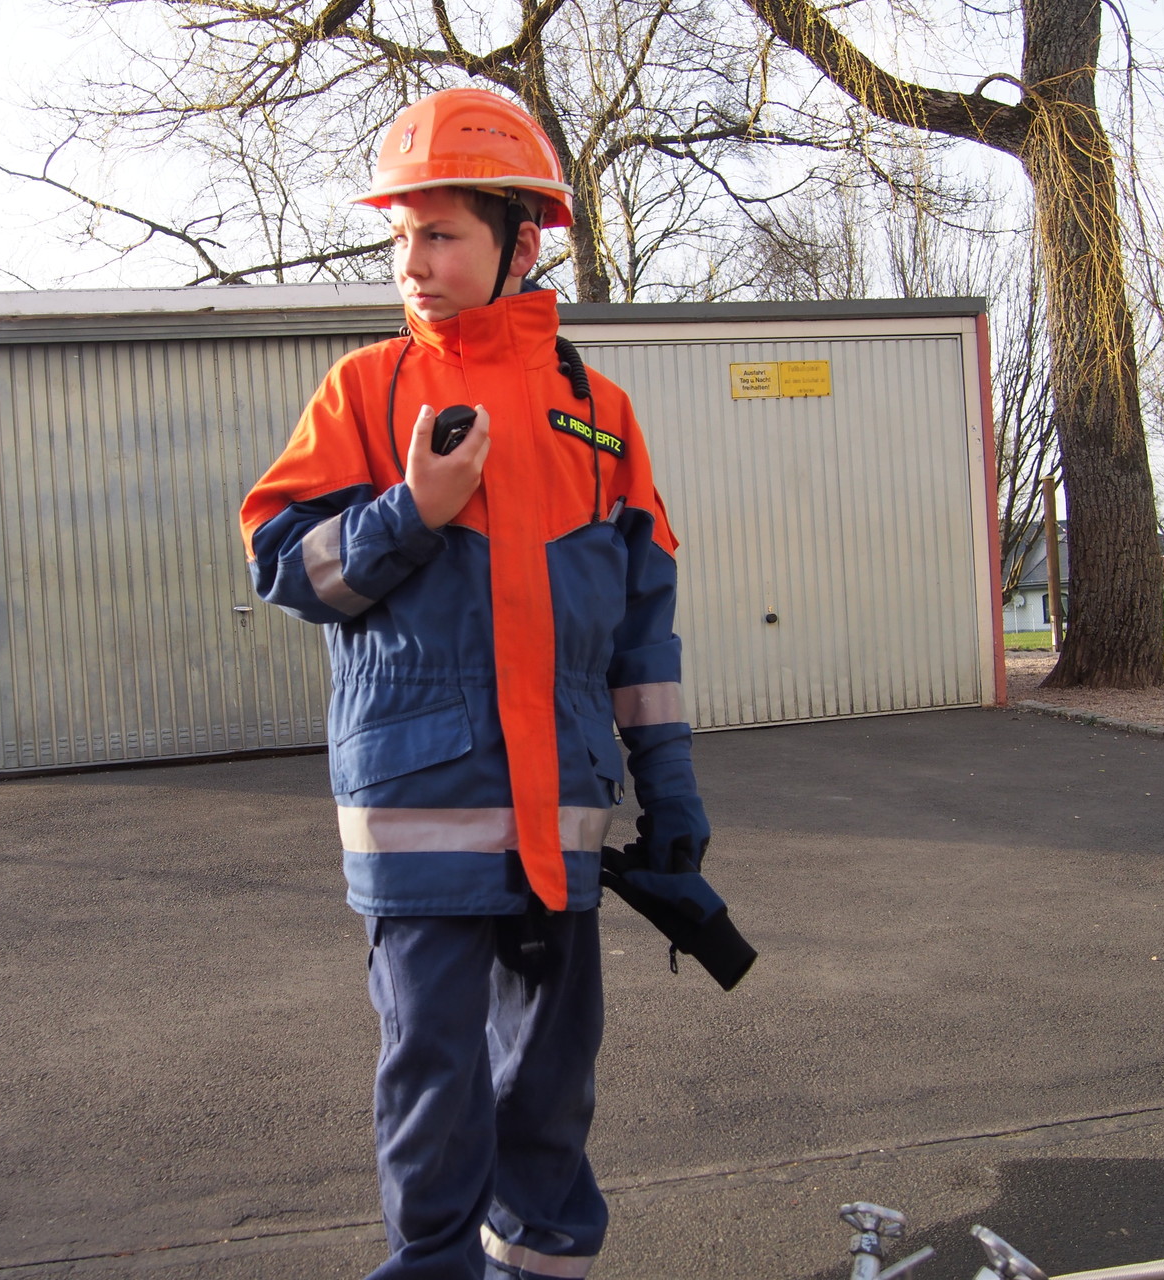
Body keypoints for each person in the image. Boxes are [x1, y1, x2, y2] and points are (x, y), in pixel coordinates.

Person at [240, 87, 711, 1280]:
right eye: (400, 235)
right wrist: (411, 512)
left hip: (562, 822)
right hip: (420, 818)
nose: (414, 261)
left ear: (520, 241)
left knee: (549, 1095)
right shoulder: (366, 391)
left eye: (440, 233)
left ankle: (542, 1269)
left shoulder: (598, 420)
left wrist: (672, 786)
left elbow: (639, 629)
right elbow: (281, 567)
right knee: (436, 1091)